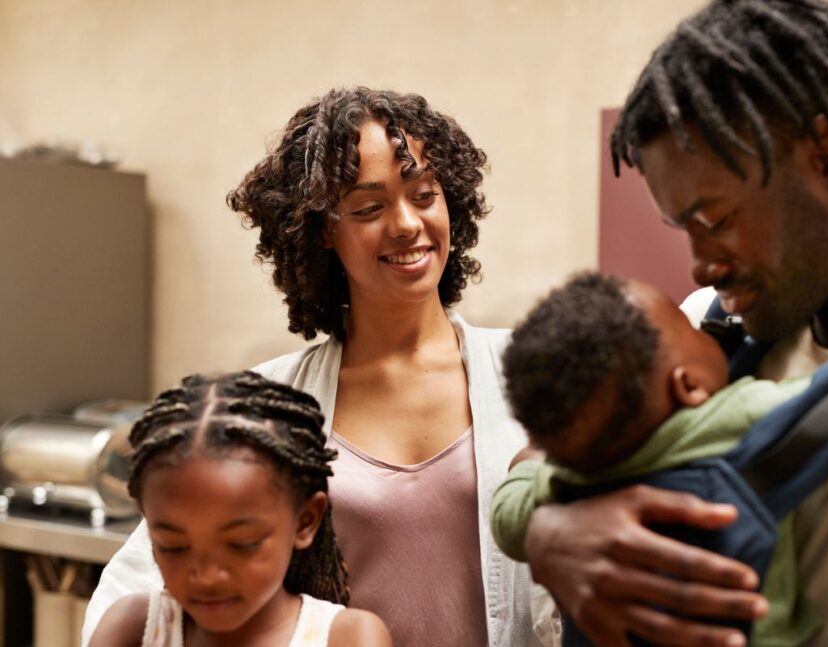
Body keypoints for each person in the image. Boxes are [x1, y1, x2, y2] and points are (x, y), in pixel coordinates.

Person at [522, 1, 828, 646]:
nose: (702, 267)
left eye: (717, 220)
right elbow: (554, 444)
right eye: (685, 232)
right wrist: (551, 533)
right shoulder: (713, 329)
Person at [82, 88, 558, 647]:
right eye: (368, 208)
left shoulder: (533, 378)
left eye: (424, 194)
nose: (406, 224)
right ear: (325, 232)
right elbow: (138, 579)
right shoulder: (273, 401)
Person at [491, 272, 818, 645]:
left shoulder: (565, 476)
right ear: (688, 386)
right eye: (692, 331)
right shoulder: (739, 415)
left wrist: (533, 462)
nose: (705, 329)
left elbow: (505, 518)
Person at [87, 371, 391, 647]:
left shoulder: (347, 638)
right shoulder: (133, 629)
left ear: (305, 521)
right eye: (174, 547)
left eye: (242, 544)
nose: (207, 577)